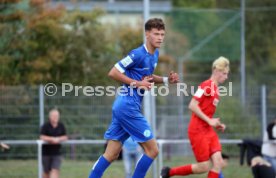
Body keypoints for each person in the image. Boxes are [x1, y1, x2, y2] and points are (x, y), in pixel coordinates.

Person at [88, 18, 179, 178]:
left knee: (111, 154)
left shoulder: (154, 54)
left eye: (162, 34)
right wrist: (137, 84)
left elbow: (147, 77)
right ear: (147, 34)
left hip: (125, 107)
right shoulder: (137, 54)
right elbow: (113, 72)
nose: (160, 37)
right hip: (127, 107)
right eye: (156, 34)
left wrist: (166, 80)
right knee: (153, 150)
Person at [161, 56, 230, 178]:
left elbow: (206, 112)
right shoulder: (206, 85)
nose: (226, 77)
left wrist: (216, 123)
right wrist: (210, 121)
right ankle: (169, 172)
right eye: (224, 73)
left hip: (208, 129)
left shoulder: (216, 88)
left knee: (218, 162)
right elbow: (192, 105)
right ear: (216, 71)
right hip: (197, 130)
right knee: (204, 166)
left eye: (227, 74)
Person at [40, 109, 68, 178]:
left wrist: (58, 139)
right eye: (54, 116)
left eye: (57, 116)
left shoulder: (61, 125)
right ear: (50, 117)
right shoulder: (45, 126)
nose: (56, 117)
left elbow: (65, 137)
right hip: (46, 153)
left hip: (57, 153)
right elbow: (42, 137)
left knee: (55, 170)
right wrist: (52, 139)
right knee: (46, 173)